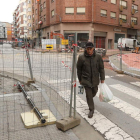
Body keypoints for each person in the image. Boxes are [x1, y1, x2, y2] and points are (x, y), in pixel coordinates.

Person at [77, 42, 105, 118]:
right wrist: (79, 78)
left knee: (95, 91)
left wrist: (102, 78)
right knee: (89, 95)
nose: (89, 50)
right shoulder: (81, 57)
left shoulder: (98, 57)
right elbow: (79, 69)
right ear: (86, 49)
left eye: (90, 49)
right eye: (88, 49)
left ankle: (89, 99)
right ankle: (91, 109)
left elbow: (101, 68)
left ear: (93, 49)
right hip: (86, 79)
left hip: (95, 79)